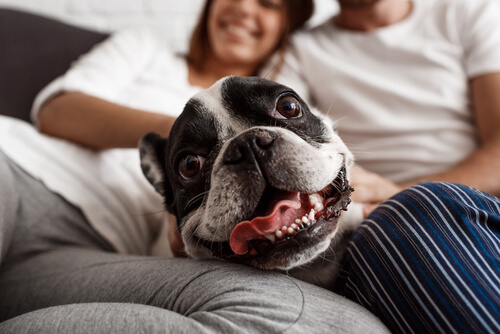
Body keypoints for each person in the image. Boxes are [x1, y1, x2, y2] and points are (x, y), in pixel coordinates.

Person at [1, 2, 392, 332]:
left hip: (79, 251)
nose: (243, 7)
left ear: (284, 29)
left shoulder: (291, 81)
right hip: (18, 170)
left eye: (268, 3)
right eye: (190, 164)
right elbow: (57, 110)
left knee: (295, 313)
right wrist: (185, 132)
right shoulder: (147, 47)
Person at [268, 0, 500, 332]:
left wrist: (401, 194)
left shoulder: (467, 12)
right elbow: (264, 128)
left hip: (474, 207)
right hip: (379, 228)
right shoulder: (300, 50)